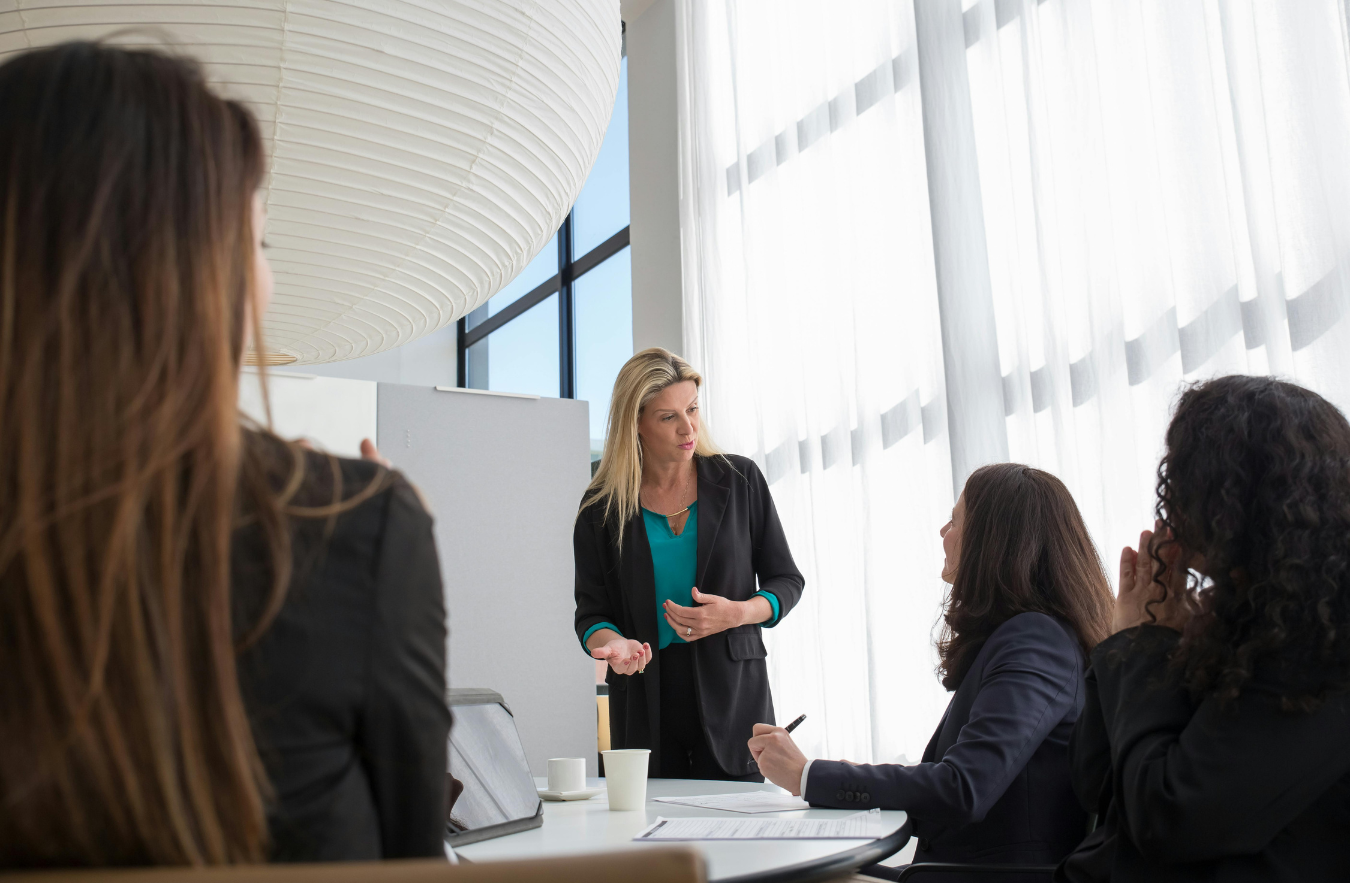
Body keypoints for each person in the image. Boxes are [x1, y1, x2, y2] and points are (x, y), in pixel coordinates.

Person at [0, 42, 450, 867]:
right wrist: (360, 536)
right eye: (259, 245)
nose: (267, 283)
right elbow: (413, 856)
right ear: (190, 277)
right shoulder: (360, 531)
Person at [751, 463, 1114, 879]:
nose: (943, 531)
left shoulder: (1036, 640)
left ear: (994, 541)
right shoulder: (1029, 637)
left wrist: (807, 775)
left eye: (956, 520)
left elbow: (963, 788)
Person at [1060, 376, 1350, 882]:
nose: (1170, 508)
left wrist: (1139, 645)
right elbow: (1099, 786)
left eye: (1185, 481)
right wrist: (1126, 640)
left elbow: (1171, 817)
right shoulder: (1237, 615)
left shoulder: (1321, 642)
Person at [573, 348, 804, 781]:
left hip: (735, 691)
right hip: (645, 694)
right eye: (668, 417)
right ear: (636, 423)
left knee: (742, 835)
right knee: (653, 834)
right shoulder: (600, 508)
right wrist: (615, 645)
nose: (688, 427)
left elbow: (787, 580)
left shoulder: (740, 481)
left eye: (692, 409)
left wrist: (737, 613)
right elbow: (591, 612)